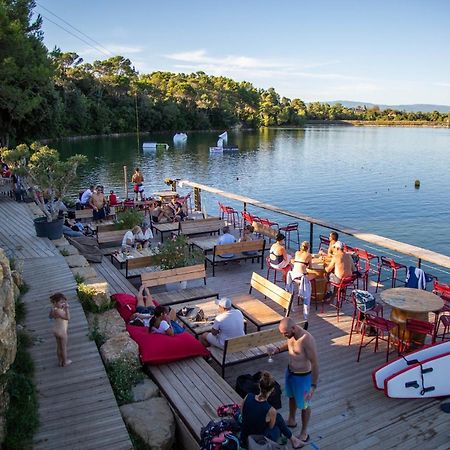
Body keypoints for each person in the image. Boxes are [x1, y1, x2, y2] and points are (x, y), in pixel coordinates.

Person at [275, 317, 319, 446]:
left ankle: (304, 432)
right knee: (291, 397)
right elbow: (289, 344)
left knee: (305, 405)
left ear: (293, 328)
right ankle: (291, 420)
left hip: (303, 377)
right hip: (290, 373)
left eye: (285, 333)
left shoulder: (307, 340)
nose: (284, 336)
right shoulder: (291, 335)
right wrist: (277, 349)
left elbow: (315, 364)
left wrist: (313, 387)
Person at [240, 371, 304, 449]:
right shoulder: (270, 410)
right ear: (272, 390)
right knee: (277, 423)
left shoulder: (248, 396)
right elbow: (271, 427)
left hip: (244, 436)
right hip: (257, 441)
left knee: (276, 416)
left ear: (259, 385)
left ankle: (293, 440)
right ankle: (293, 440)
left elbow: (242, 414)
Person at [286, 241, 315, 329]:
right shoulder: (309, 255)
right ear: (308, 247)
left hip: (294, 276)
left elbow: (296, 262)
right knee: (314, 275)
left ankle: (300, 292)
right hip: (302, 277)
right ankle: (307, 301)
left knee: (307, 276)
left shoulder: (297, 252)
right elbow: (310, 267)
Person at [49, 292, 72, 367]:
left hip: (56, 330)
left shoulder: (54, 310)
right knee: (63, 347)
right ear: (55, 302)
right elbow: (67, 318)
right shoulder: (59, 311)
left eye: (64, 302)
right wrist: (67, 309)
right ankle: (65, 362)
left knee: (59, 347)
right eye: (61, 302)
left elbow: (50, 317)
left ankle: (60, 361)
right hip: (62, 332)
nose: (63, 304)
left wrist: (62, 308)